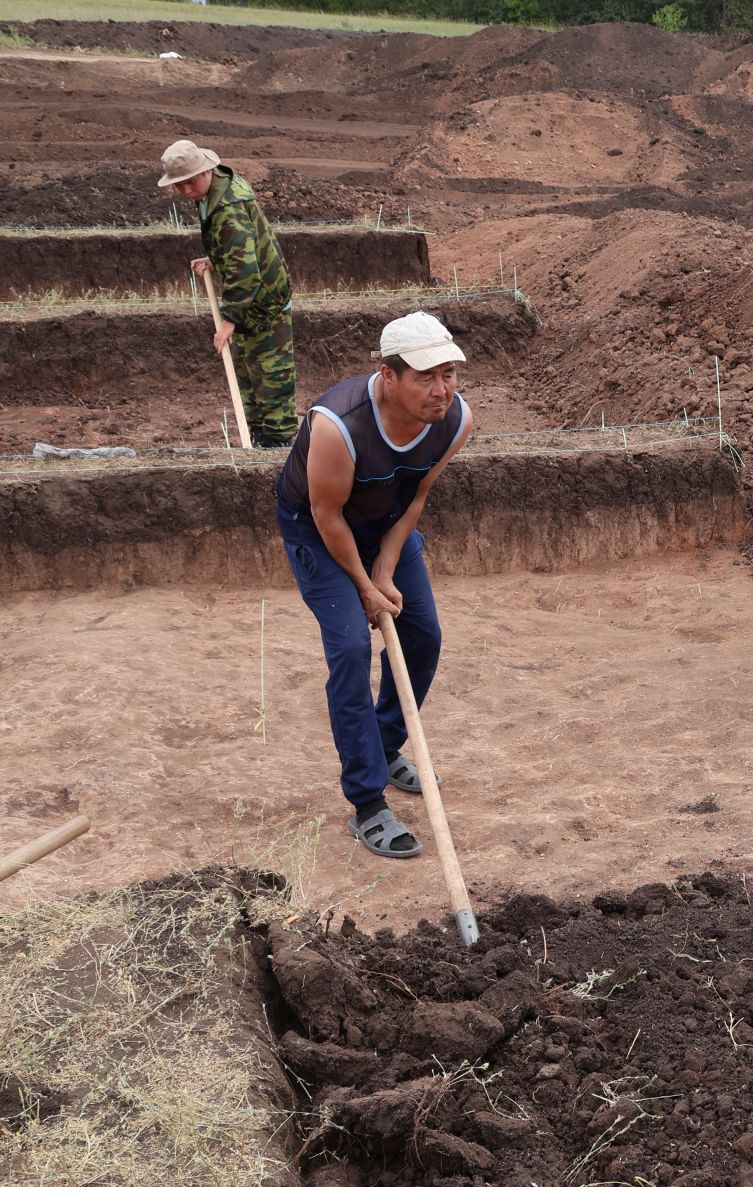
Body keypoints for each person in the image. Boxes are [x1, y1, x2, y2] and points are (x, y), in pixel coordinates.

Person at [277, 313, 476, 857]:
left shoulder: (455, 421)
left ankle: (385, 746)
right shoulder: (337, 425)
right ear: (388, 376)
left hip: (386, 523)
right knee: (350, 648)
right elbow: (326, 514)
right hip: (320, 532)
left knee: (422, 636)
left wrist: (386, 567)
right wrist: (364, 586)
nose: (441, 390)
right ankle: (367, 802)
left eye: (449, 374)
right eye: (425, 377)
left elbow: (416, 498)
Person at [156, 139, 297, 447]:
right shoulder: (214, 188)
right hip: (252, 297)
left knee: (271, 374)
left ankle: (280, 444)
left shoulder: (227, 209)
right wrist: (216, 258)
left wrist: (230, 320)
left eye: (189, 182)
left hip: (263, 299)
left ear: (205, 171)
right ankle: (259, 437)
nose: (185, 191)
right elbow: (242, 247)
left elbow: (246, 272)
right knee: (247, 370)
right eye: (179, 186)